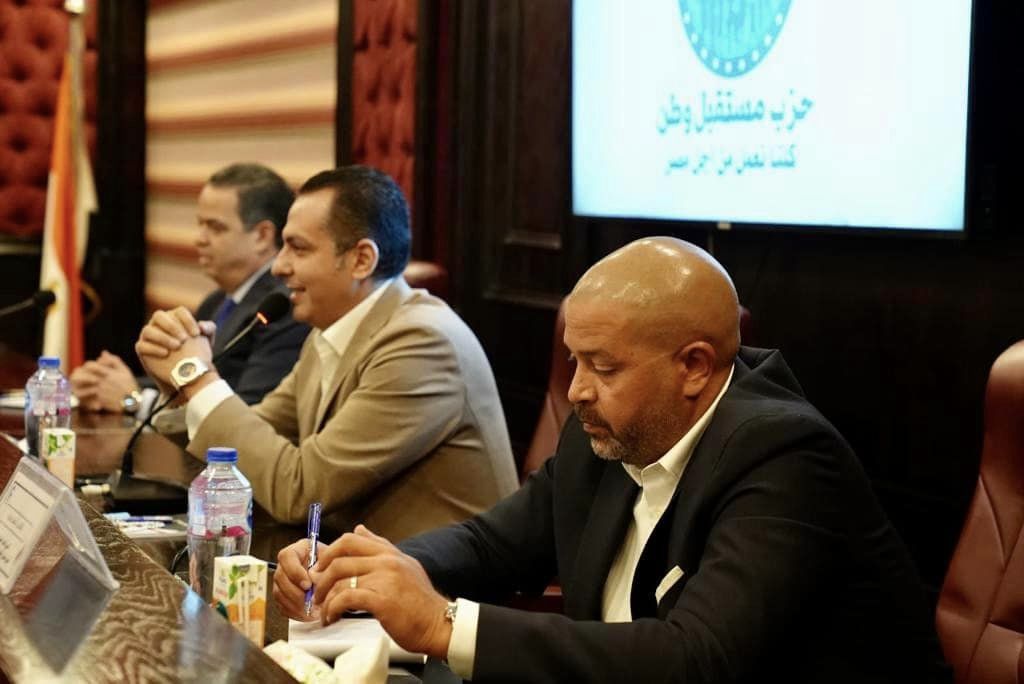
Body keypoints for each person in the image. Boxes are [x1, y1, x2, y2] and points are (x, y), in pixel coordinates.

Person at [273, 237, 948, 683]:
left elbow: (696, 657)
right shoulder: (608, 429)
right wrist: (365, 567)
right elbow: (493, 543)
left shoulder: (785, 457)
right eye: (574, 361)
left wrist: (444, 624)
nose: (576, 390)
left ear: (694, 366)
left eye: (603, 366)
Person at [135, 165, 519, 539]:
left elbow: (302, 492)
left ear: (361, 260)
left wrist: (198, 377)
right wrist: (179, 383)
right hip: (349, 561)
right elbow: (246, 444)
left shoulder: (421, 343)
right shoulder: (328, 332)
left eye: (298, 248)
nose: (278, 267)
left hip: (437, 577)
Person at [71, 163, 309, 413]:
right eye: (200, 225)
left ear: (262, 235)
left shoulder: (283, 309)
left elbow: (250, 410)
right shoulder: (216, 301)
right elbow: (181, 382)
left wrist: (134, 401)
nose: (199, 239)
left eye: (215, 227)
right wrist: (104, 384)